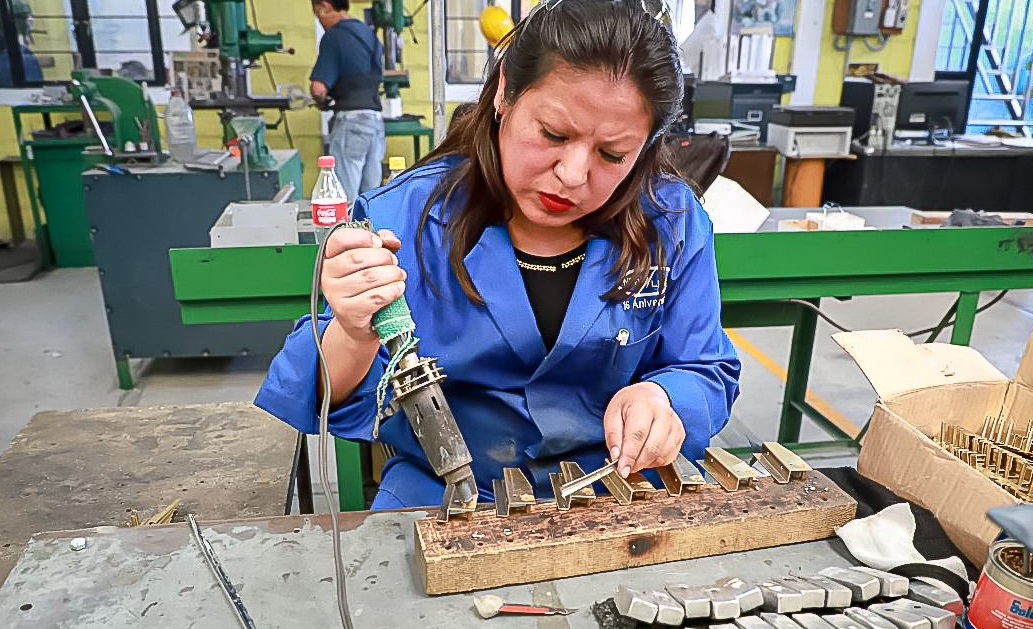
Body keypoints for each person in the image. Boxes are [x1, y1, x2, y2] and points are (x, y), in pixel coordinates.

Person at [257, 0, 742, 510]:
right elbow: (320, 391)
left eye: (612, 154)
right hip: (444, 495)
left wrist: (665, 398)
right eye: (553, 134)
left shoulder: (670, 221)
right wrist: (354, 331)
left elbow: (705, 367)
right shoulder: (404, 218)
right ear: (505, 91)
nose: (572, 174)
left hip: (615, 492)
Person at [310, 0, 387, 197]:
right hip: (376, 123)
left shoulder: (334, 37)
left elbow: (318, 88)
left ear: (325, 7)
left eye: (318, 15)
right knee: (371, 199)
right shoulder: (368, 34)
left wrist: (320, 101)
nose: (320, 22)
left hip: (351, 123)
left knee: (344, 198)